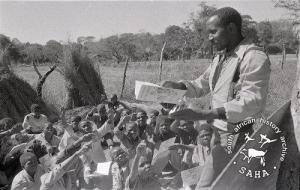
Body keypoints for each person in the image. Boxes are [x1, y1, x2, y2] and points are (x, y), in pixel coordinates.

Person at [163, 7, 271, 188]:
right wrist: (177, 87)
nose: (210, 38)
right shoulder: (221, 57)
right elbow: (202, 83)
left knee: (207, 186)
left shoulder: (252, 57)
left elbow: (252, 102)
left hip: (235, 134)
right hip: (217, 134)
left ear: (231, 28)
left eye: (213, 32)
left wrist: (204, 114)